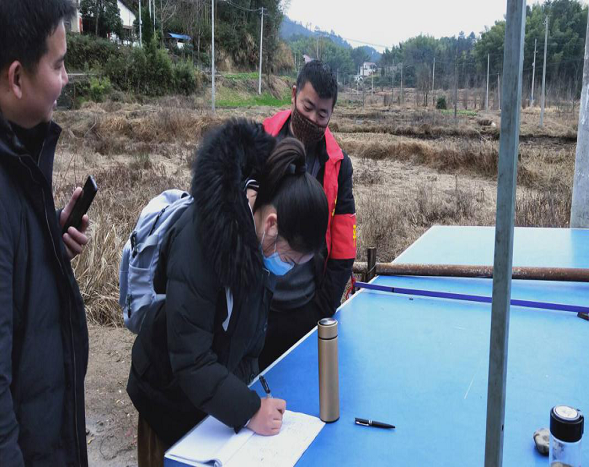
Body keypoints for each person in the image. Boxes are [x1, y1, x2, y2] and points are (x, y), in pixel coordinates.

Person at [127, 119, 329, 466]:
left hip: (208, 402)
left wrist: (247, 391)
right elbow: (190, 360)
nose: (289, 269)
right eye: (290, 260)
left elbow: (249, 335)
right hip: (165, 395)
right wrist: (249, 410)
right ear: (272, 225)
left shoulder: (259, 242)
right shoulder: (200, 239)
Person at [0, 1, 92, 465]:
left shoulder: (18, 157)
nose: (65, 79)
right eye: (58, 65)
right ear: (17, 77)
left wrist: (46, 246)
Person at [259, 60, 356, 370]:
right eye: (308, 107)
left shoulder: (338, 165)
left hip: (303, 309)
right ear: (293, 95)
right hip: (255, 306)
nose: (313, 119)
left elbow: (344, 249)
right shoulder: (259, 140)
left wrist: (319, 310)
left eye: (322, 114)